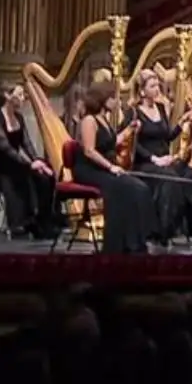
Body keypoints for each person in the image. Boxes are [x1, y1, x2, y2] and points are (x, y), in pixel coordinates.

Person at [68, 79, 155, 254]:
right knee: (123, 187)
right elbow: (89, 151)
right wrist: (110, 167)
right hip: (88, 170)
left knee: (139, 187)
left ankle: (134, 241)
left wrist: (130, 129)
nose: (116, 101)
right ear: (103, 98)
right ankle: (114, 246)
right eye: (113, 97)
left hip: (102, 169)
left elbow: (112, 142)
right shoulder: (89, 120)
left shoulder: (104, 119)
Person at [127, 70, 192, 248]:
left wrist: (182, 123)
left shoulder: (160, 108)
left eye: (157, 85)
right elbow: (132, 143)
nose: (157, 89)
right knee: (169, 180)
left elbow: (167, 137)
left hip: (166, 162)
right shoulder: (133, 113)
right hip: (145, 164)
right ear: (142, 91)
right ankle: (164, 233)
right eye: (152, 86)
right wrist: (154, 158)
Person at [0, 85, 63, 241]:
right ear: (7, 96)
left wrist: (38, 161)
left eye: (23, 95)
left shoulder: (19, 117)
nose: (23, 98)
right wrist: (29, 165)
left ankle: (43, 219)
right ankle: (26, 221)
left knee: (47, 176)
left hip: (16, 163)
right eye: (19, 95)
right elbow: (6, 148)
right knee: (27, 176)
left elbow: (27, 143)